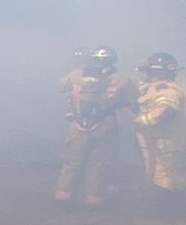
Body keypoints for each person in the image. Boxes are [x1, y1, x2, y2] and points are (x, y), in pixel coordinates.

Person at [56, 45, 136, 207]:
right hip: (106, 123)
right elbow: (132, 101)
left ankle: (63, 195)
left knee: (72, 161)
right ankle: (94, 199)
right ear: (113, 61)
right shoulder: (123, 79)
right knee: (100, 162)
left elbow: (60, 87)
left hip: (77, 123)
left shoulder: (76, 75)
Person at [134, 52, 186, 216]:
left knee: (160, 173)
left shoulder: (166, 91)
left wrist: (143, 120)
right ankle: (179, 209)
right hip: (166, 139)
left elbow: (165, 112)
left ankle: (165, 210)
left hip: (161, 140)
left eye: (151, 72)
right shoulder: (156, 88)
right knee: (174, 174)